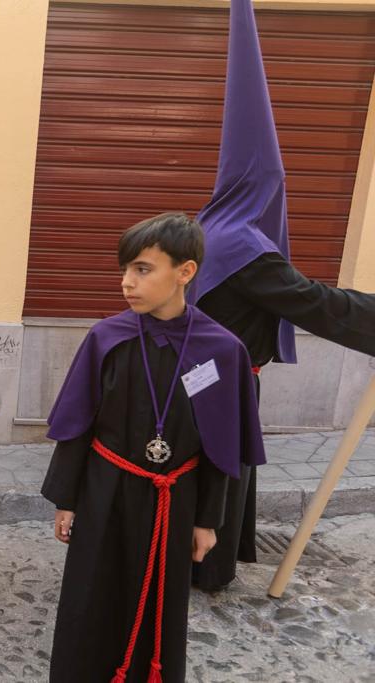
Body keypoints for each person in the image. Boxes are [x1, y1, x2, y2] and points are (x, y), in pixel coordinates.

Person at [189, 0, 375, 592]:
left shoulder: (211, 224)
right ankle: (205, 570)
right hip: (222, 382)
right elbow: (312, 302)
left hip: (203, 374)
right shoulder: (246, 244)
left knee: (216, 469)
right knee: (218, 470)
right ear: (263, 187)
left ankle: (213, 557)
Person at [42, 213, 265, 682]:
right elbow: (78, 424)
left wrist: (208, 519)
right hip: (104, 490)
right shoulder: (107, 338)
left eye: (143, 269)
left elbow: (221, 445)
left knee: (159, 601)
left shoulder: (221, 351)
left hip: (173, 500)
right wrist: (67, 500)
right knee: (90, 595)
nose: (127, 282)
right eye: (125, 270)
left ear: (185, 272)